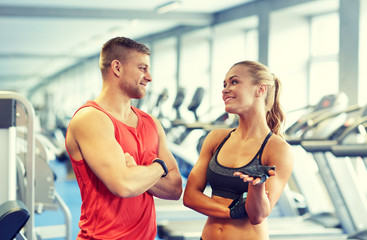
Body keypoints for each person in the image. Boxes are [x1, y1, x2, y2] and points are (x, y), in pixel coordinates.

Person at [65, 36, 183, 240]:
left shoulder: (152, 123)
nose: (149, 77)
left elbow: (175, 188)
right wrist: (159, 166)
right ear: (117, 68)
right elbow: (124, 185)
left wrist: (136, 170)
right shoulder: (91, 119)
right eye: (142, 68)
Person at [183, 60, 294, 240]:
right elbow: (190, 196)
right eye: (224, 84)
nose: (225, 89)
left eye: (234, 82)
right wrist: (232, 212)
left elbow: (257, 216)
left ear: (261, 89)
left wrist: (256, 186)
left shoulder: (278, 149)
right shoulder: (216, 138)